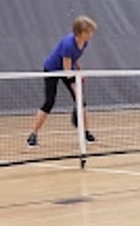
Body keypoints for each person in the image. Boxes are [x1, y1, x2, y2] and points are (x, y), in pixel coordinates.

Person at [27, 16, 96, 147]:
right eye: (88, 31)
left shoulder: (84, 42)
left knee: (81, 101)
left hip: (68, 68)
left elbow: (74, 59)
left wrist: (80, 72)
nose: (91, 34)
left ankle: (86, 132)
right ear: (80, 32)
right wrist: (75, 86)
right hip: (53, 70)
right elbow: (67, 71)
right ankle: (33, 135)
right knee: (49, 102)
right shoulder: (68, 44)